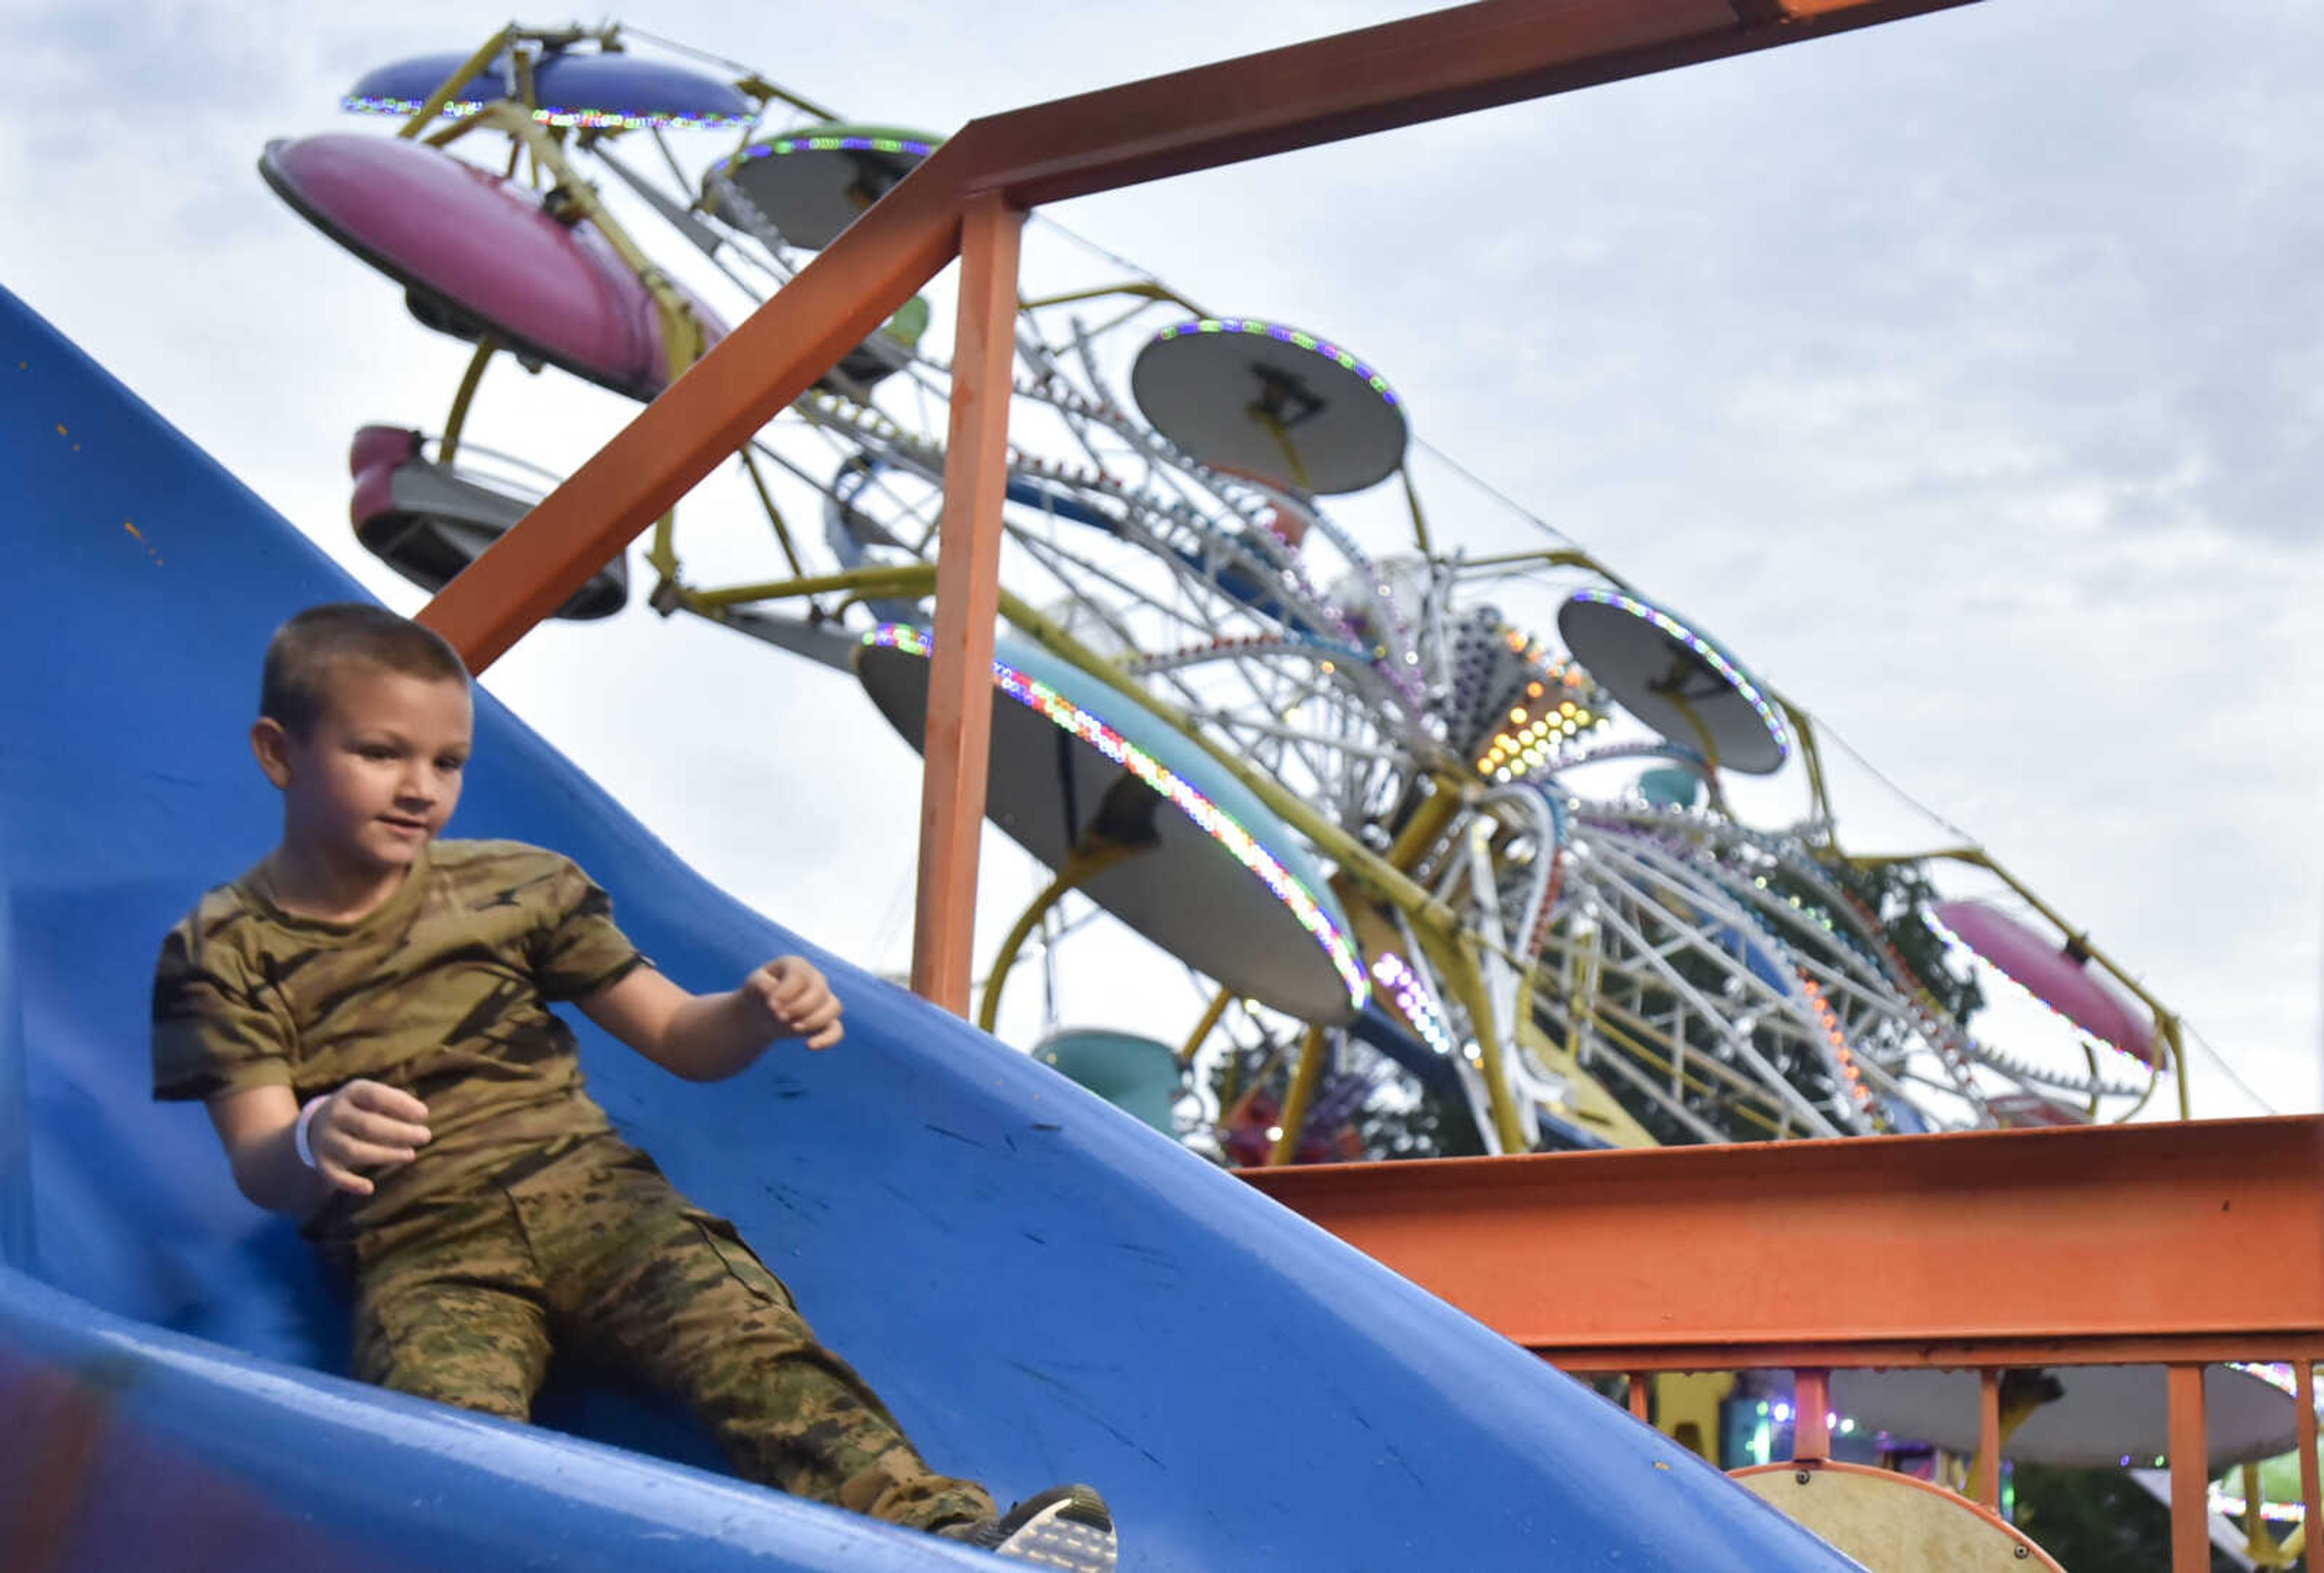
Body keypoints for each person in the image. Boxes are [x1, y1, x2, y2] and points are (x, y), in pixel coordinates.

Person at [150, 603, 1115, 1571]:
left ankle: (944, 1543)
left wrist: (752, 1010)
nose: (420, 790)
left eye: (447, 764)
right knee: (435, 1450)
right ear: (280, 753)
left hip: (601, 1206)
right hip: (423, 1247)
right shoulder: (223, 951)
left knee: (752, 1345)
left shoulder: (517, 886)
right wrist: (317, 1136)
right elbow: (261, 1165)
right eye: (380, 754)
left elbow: (678, 1037)